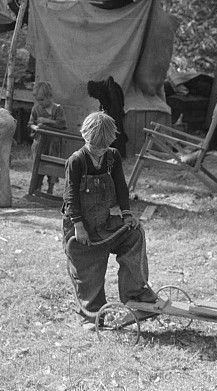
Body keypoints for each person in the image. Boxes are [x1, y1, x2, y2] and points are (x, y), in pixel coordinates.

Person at [62, 111, 157, 329]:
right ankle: (92, 318)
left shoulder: (112, 157)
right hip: (80, 228)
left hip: (104, 223)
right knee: (89, 271)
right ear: (85, 138)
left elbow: (121, 187)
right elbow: (70, 197)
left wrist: (126, 214)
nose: (99, 152)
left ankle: (136, 296)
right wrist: (79, 226)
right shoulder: (76, 161)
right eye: (95, 148)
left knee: (134, 235)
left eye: (103, 147)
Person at [28, 81, 68, 194]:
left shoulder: (58, 109)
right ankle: (36, 188)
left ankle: (50, 189)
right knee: (38, 164)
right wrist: (36, 127)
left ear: (50, 96)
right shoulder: (36, 109)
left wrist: (47, 121)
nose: (40, 103)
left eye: (42, 100)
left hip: (53, 143)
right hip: (39, 142)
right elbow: (30, 124)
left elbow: (62, 123)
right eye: (38, 100)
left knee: (52, 165)